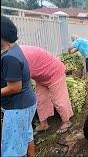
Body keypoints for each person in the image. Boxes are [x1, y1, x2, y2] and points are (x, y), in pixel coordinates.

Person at [1, 15, 37, 156]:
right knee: (26, 134)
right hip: (26, 104)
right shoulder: (15, 49)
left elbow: (15, 87)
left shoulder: (10, 57)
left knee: (12, 150)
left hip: (17, 107)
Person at [20, 45, 74, 134]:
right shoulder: (13, 53)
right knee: (41, 100)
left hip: (54, 72)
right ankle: (43, 124)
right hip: (41, 76)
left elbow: (21, 80)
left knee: (59, 100)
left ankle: (66, 122)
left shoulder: (15, 56)